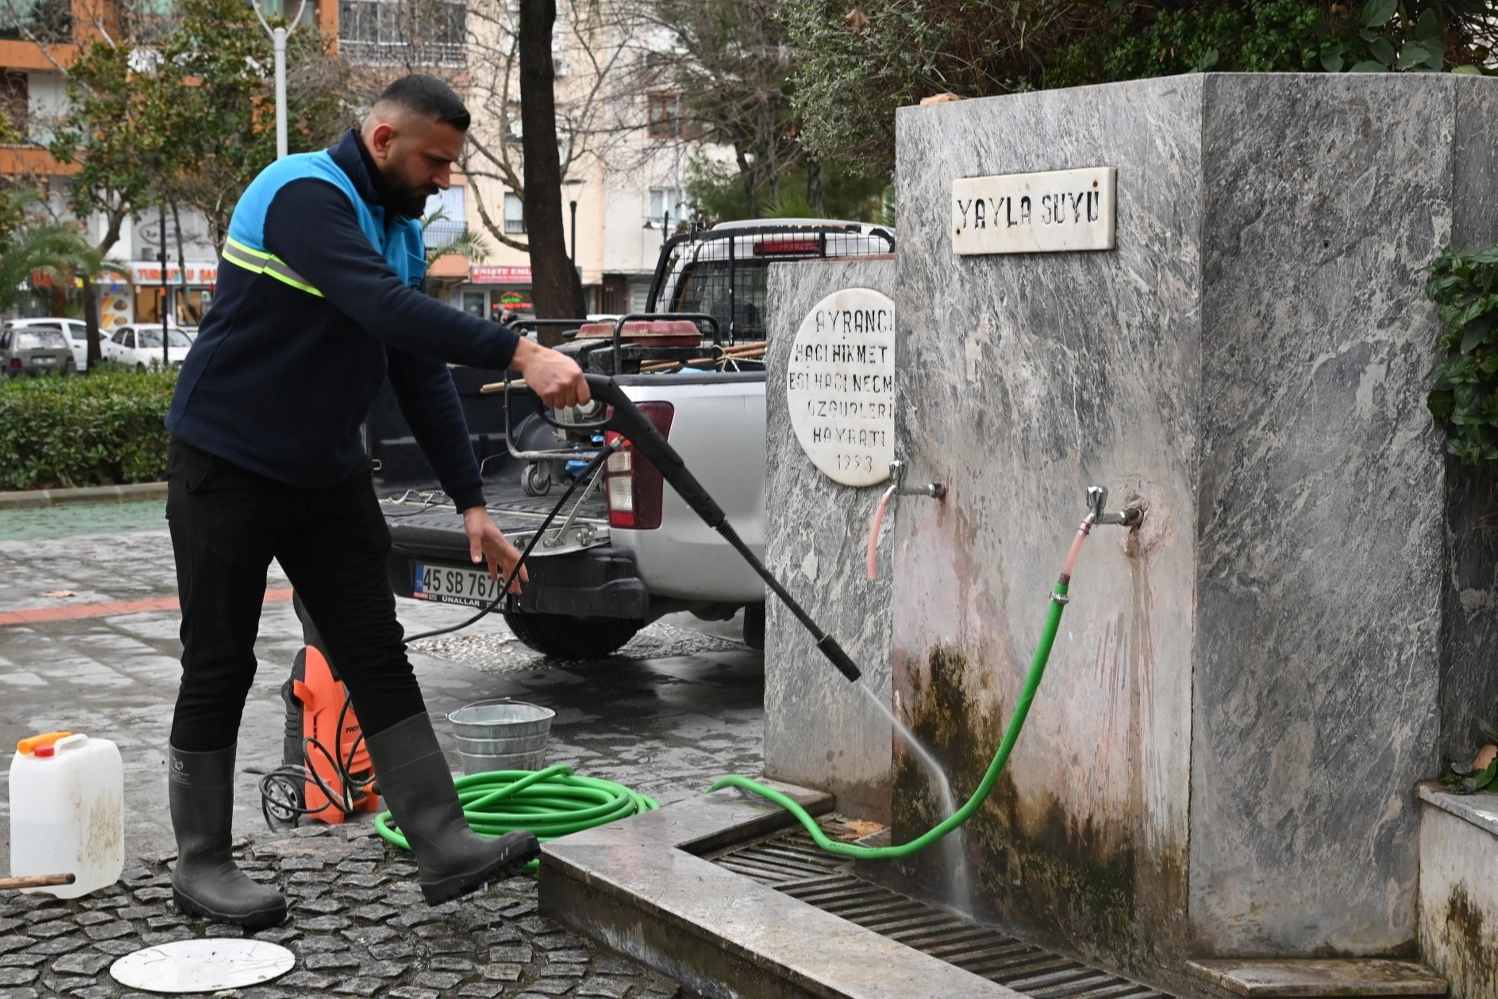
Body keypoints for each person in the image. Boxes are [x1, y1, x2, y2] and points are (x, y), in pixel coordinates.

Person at [161, 74, 589, 929]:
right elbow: (376, 304)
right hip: (227, 463)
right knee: (220, 658)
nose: (445, 178)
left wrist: (472, 501)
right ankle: (202, 861)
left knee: (375, 651)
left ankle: (442, 840)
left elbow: (413, 362)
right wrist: (521, 351)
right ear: (385, 140)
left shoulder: (396, 227)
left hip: (324, 475)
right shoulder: (299, 195)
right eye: (436, 159)